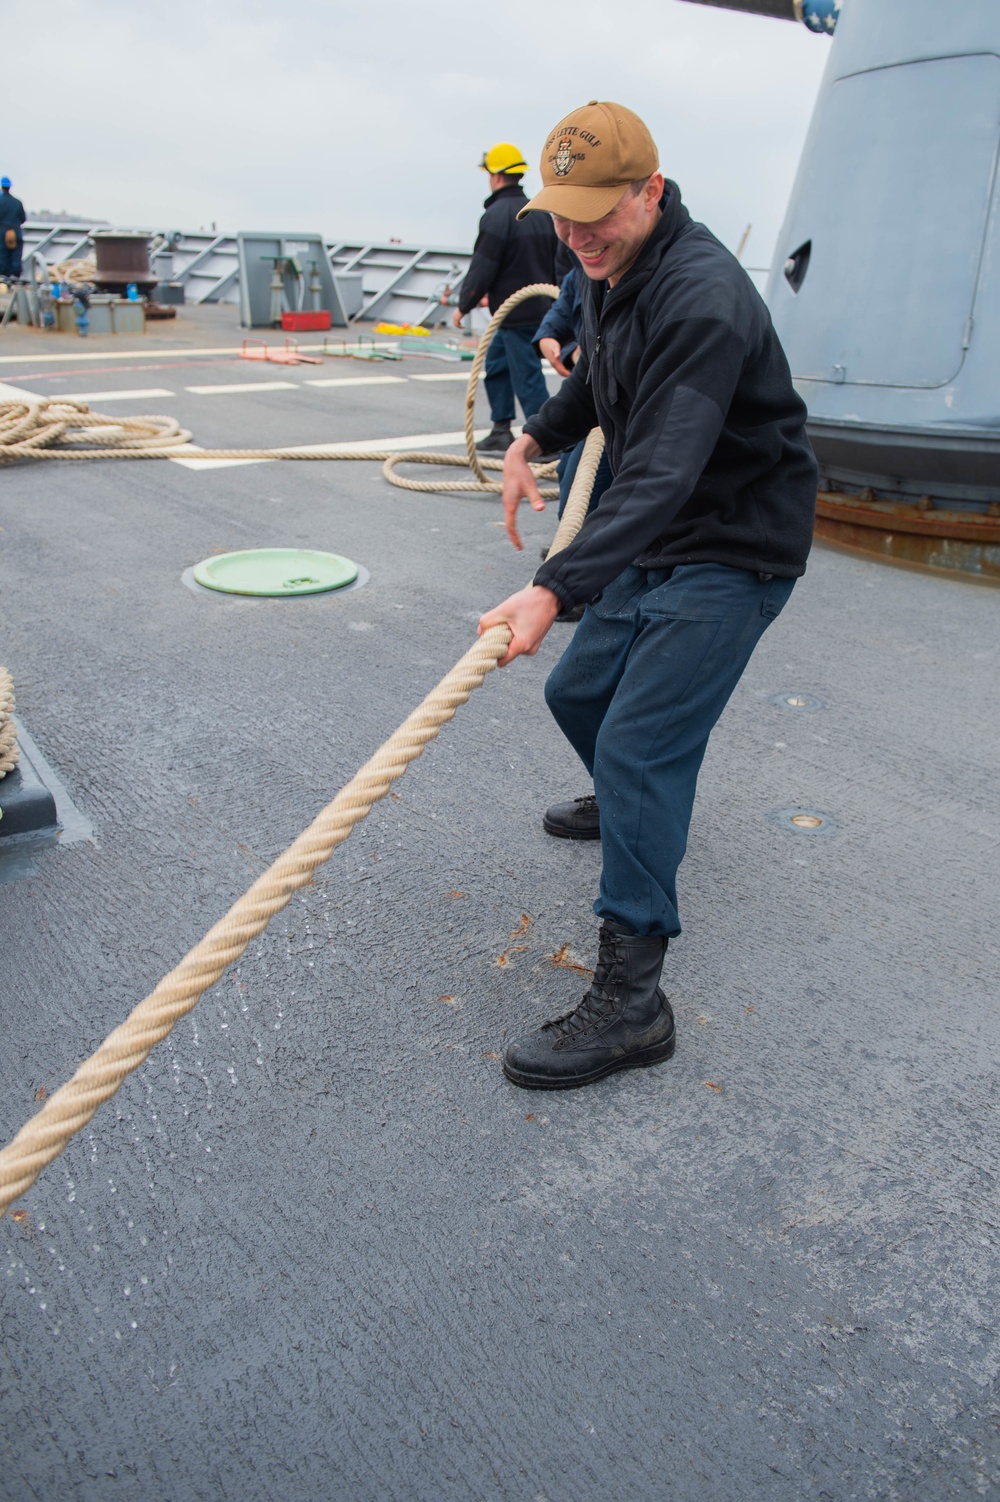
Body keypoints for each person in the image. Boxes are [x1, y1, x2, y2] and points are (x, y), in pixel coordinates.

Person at [477, 101, 818, 1091]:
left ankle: (633, 1005)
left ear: (651, 191)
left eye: (597, 212)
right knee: (578, 697)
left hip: (732, 542)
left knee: (637, 743)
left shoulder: (701, 295)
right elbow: (597, 375)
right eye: (563, 215)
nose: (576, 234)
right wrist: (532, 436)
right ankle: (642, 807)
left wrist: (551, 586)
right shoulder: (604, 272)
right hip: (661, 532)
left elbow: (662, 471)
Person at [453, 143, 562, 454]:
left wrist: (465, 305)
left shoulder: (497, 215)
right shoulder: (539, 211)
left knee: (526, 375)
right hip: (540, 308)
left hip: (516, 314)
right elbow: (558, 262)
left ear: (497, 176)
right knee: (497, 364)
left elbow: (483, 265)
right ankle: (502, 429)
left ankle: (547, 442)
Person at [0, 177, 26, 282]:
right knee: (16, 255)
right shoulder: (17, 202)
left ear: (2, 187)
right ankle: (15, 277)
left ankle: (3, 277)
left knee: (2, 254)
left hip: (2, 232)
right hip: (16, 232)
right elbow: (23, 219)